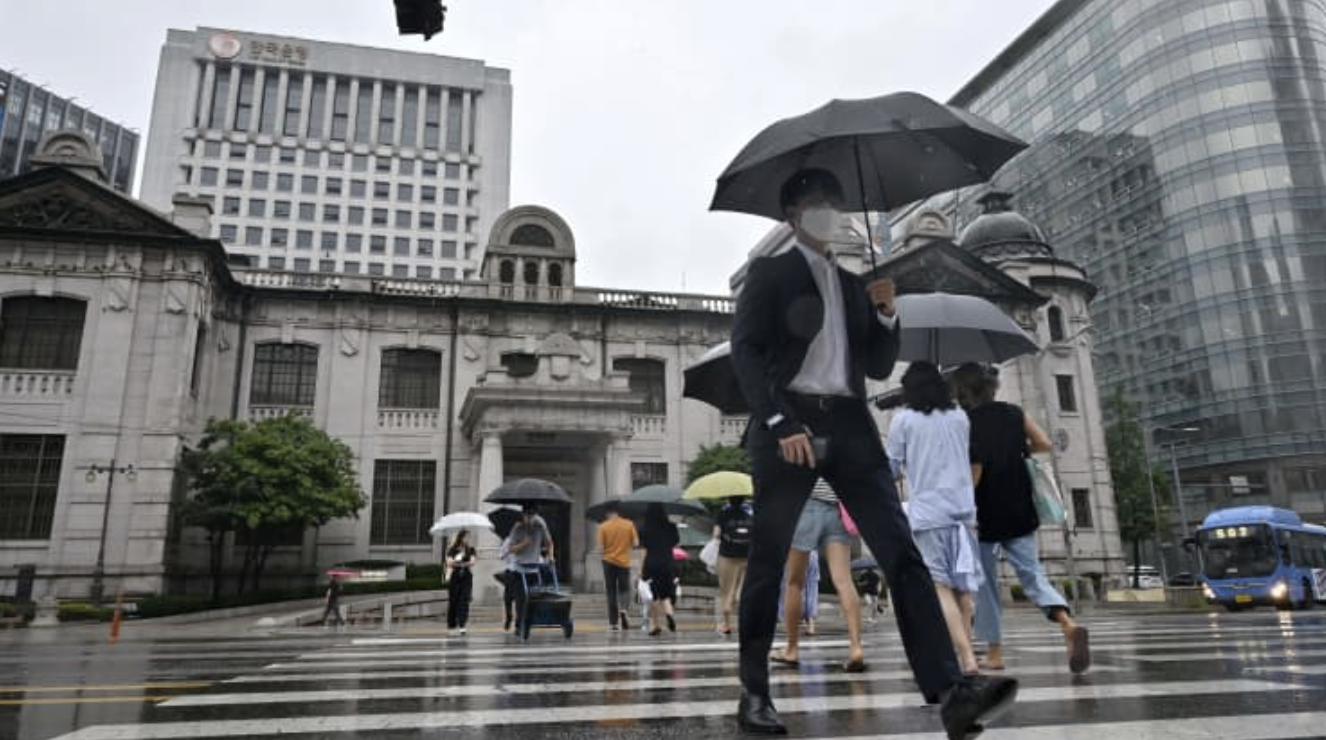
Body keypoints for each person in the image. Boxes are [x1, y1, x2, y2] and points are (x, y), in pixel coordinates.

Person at [729, 168, 1016, 736]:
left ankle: (951, 690)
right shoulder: (771, 274)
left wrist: (886, 312)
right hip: (790, 425)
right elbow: (746, 351)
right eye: (815, 204)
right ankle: (755, 693)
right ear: (792, 216)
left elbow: (881, 365)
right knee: (767, 562)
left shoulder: (854, 284)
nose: (827, 213)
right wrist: (780, 420)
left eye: (833, 204)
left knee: (901, 553)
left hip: (853, 429)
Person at [951, 363, 1091, 674]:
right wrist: (1017, 449)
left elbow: (968, 465)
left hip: (982, 513)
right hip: (1019, 509)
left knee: (985, 584)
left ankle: (995, 654)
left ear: (963, 392)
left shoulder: (963, 422)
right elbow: (1044, 444)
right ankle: (1067, 624)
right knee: (1033, 576)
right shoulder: (1015, 413)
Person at [887, 361, 983, 676]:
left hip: (929, 514)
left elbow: (893, 469)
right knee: (964, 588)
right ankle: (966, 654)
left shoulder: (903, 420)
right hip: (964, 512)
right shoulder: (960, 418)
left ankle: (966, 657)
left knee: (940, 586)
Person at [770, 480, 866, 672]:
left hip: (805, 506)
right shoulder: (844, 447)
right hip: (837, 510)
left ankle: (792, 649)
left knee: (794, 582)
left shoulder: (796, 447)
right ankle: (856, 648)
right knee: (844, 580)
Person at [713, 496, 754, 634]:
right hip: (747, 556)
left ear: (729, 500)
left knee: (726, 590)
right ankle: (745, 621)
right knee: (742, 589)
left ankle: (726, 624)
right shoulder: (749, 515)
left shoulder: (723, 514)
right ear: (743, 501)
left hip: (727, 556)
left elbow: (716, 534)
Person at [638, 503, 679, 636]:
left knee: (654, 595)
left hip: (652, 564)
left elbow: (644, 551)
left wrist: (641, 568)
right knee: (666, 594)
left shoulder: (645, 529)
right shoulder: (671, 527)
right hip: (667, 563)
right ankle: (669, 614)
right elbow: (675, 543)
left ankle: (656, 625)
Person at [597, 501, 639, 631]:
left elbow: (600, 547)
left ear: (608, 512)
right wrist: (625, 546)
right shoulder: (629, 524)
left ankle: (613, 623)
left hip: (608, 562)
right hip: (624, 562)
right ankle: (624, 610)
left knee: (611, 592)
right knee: (624, 590)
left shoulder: (603, 526)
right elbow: (636, 543)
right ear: (618, 511)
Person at [445, 529, 477, 634]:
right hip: (455, 577)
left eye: (469, 537)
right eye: (466, 537)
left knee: (464, 601)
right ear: (461, 537)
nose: (468, 539)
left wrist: (460, 563)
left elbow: (472, 562)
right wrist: (459, 562)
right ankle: (451, 625)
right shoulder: (452, 549)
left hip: (466, 577)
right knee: (454, 601)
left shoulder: (471, 549)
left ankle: (462, 624)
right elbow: (449, 562)